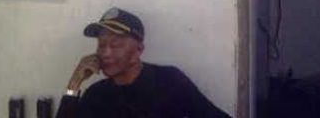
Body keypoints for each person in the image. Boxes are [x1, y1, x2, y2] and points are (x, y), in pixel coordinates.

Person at [55, 7, 231, 118]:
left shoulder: (169, 81)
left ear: (138, 50)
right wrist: (73, 85)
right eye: (101, 45)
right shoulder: (97, 95)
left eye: (115, 44)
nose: (105, 53)